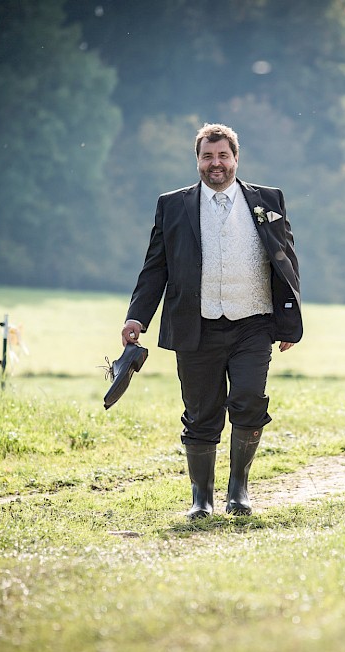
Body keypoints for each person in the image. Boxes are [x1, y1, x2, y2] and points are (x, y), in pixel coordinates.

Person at [122, 123, 302, 520]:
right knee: (201, 411)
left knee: (250, 398)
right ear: (198, 160)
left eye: (223, 156)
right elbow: (155, 268)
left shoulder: (267, 199)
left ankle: (238, 488)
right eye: (208, 156)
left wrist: (289, 323)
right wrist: (137, 317)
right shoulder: (173, 205)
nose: (215, 164)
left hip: (253, 322)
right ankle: (201, 497)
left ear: (236, 158)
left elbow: (286, 260)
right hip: (195, 325)